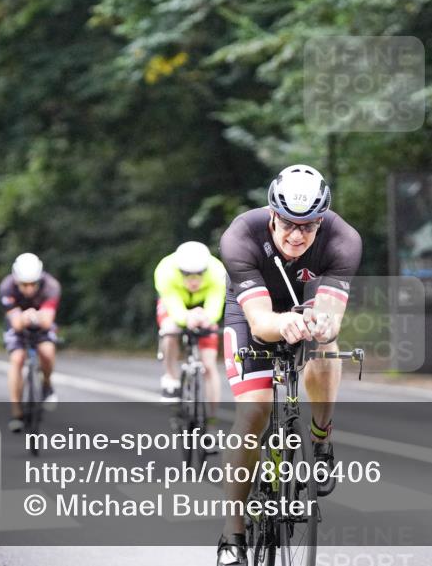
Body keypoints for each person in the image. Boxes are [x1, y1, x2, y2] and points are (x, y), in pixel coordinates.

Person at [215, 164, 361, 566]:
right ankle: (233, 535)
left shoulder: (343, 240)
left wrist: (319, 321)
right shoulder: (241, 235)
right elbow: (261, 324)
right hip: (252, 313)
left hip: (306, 306)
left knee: (325, 345)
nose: (297, 235)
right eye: (288, 225)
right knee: (254, 413)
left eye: (309, 226)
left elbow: (328, 315)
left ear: (322, 222)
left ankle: (321, 436)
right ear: (272, 215)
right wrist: (284, 322)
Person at [154, 241, 225, 409]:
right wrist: (186, 318)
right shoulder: (165, 270)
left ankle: (212, 418)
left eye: (199, 273)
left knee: (209, 365)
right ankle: (170, 378)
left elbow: (215, 305)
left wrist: (207, 319)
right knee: (170, 329)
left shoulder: (218, 271)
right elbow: (172, 305)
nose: (193, 280)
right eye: (187, 274)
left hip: (203, 308)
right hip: (177, 304)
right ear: (179, 270)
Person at [0, 253, 61, 433]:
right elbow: (16, 324)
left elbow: (48, 321)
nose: (29, 289)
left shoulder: (52, 286)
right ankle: (16, 412)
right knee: (17, 359)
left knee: (47, 352)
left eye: (33, 284)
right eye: (24, 284)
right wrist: (30, 316)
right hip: (17, 325)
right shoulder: (7, 287)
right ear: (16, 281)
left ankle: (47, 384)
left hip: (41, 324)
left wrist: (30, 316)